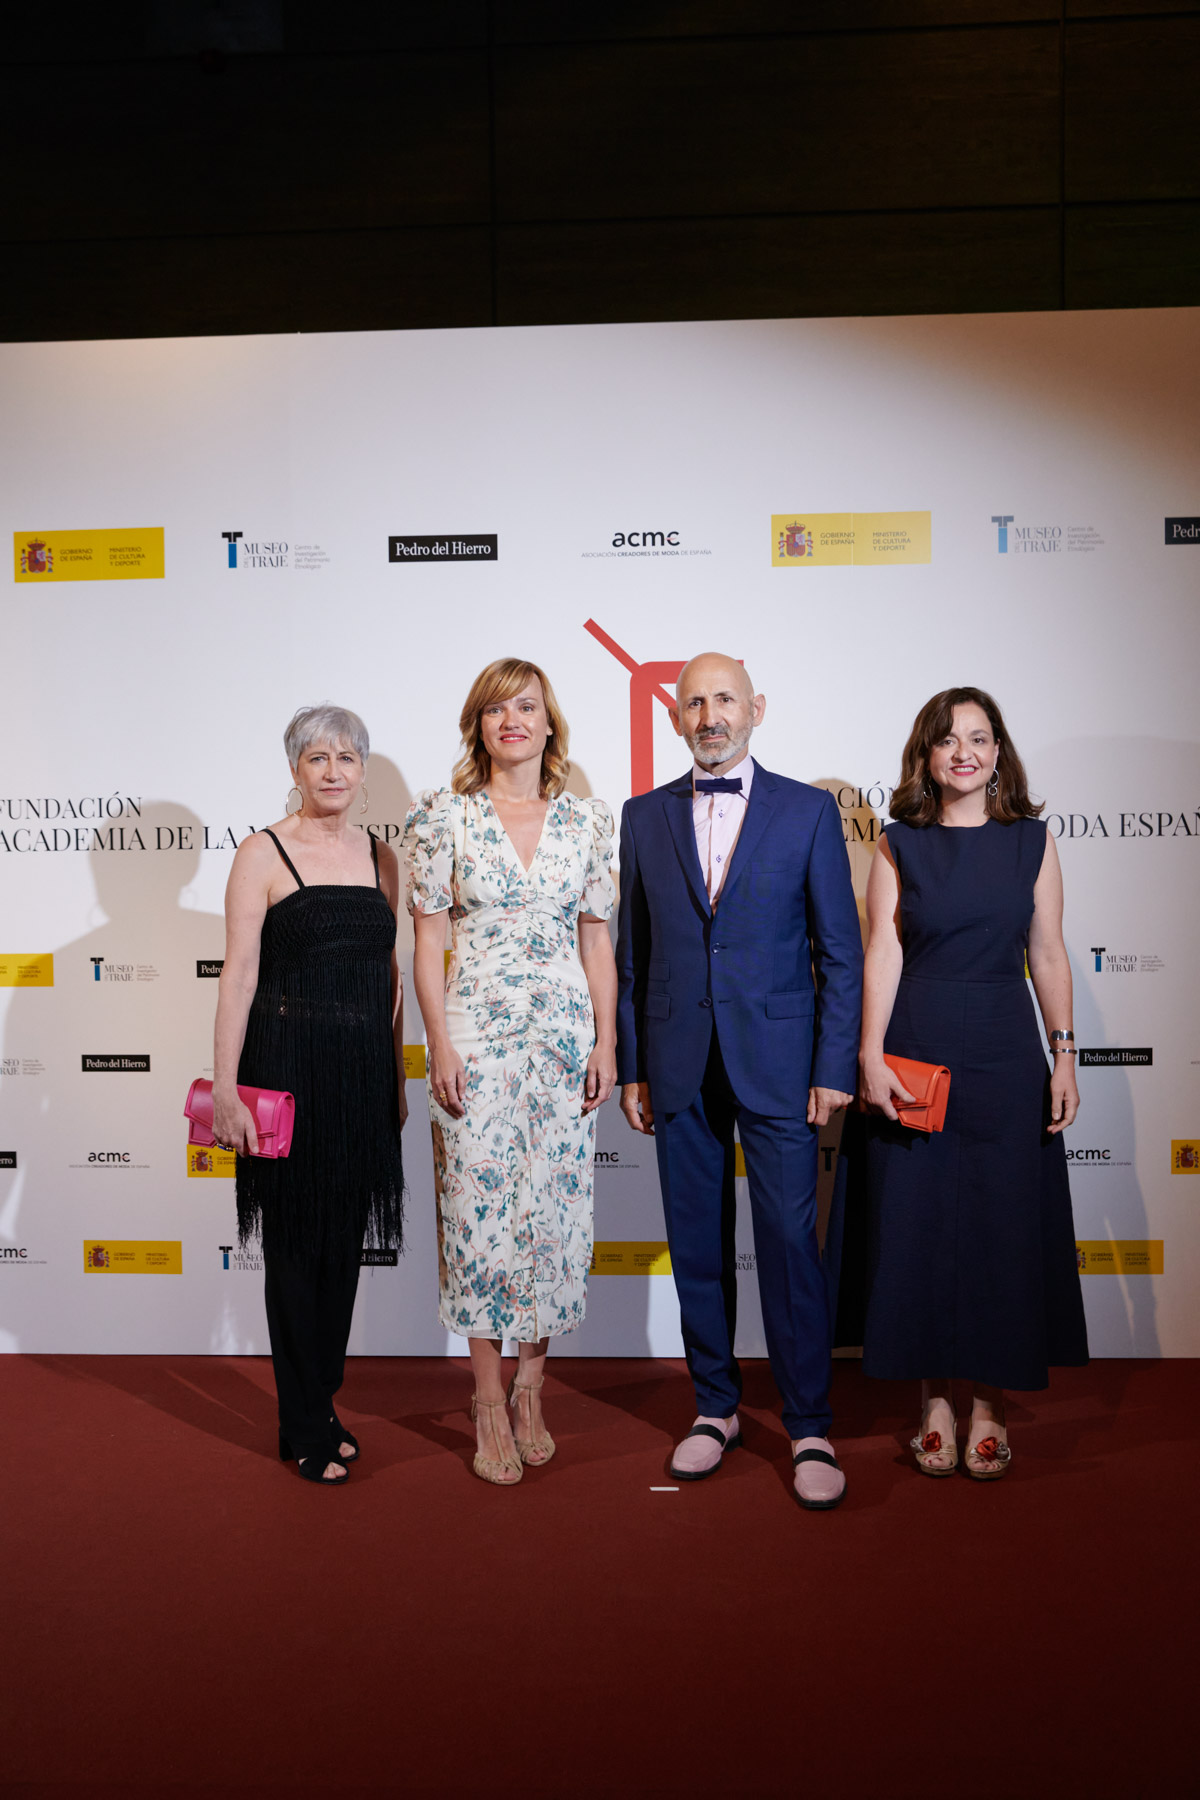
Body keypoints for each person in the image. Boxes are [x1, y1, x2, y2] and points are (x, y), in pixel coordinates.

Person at [616, 652, 863, 1511]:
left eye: (724, 699)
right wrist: (635, 1066)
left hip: (782, 1064)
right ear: (674, 718)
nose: (709, 715)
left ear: (757, 708)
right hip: (677, 1060)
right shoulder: (642, 816)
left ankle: (808, 1423)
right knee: (696, 1244)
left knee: (791, 1245)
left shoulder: (808, 811)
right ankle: (714, 1406)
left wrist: (833, 1064)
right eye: (694, 702)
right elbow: (633, 956)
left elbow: (840, 952)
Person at [857, 686, 1089, 1480]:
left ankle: (989, 1404)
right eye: (949, 739)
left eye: (980, 738)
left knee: (1001, 1228)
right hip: (917, 1051)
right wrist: (870, 1054)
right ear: (926, 755)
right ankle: (932, 1403)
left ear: (998, 753)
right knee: (918, 1227)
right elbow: (883, 952)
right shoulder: (898, 844)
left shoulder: (1033, 842)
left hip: (1004, 1053)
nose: (965, 752)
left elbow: (1048, 952)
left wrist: (1064, 1054)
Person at [405, 658, 616, 1487]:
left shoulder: (586, 822)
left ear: (548, 721)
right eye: (496, 709)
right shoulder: (444, 820)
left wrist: (605, 1044)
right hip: (476, 1042)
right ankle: (487, 1397)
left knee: (555, 1220)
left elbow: (596, 942)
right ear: (479, 726)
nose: (512, 721)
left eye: (526, 706)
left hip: (563, 1045)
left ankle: (533, 1389)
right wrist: (439, 1045)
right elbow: (427, 943)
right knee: (477, 1219)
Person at [213, 706, 405, 1485]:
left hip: (360, 1078)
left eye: (347, 757)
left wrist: (394, 1079)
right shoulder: (261, 852)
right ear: (294, 768)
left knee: (342, 1251)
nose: (332, 770)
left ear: (362, 771)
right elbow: (238, 976)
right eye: (317, 757)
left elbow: (390, 978)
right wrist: (226, 1088)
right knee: (295, 1250)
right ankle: (301, 1421)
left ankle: (321, 1401)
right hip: (285, 1072)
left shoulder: (383, 856)